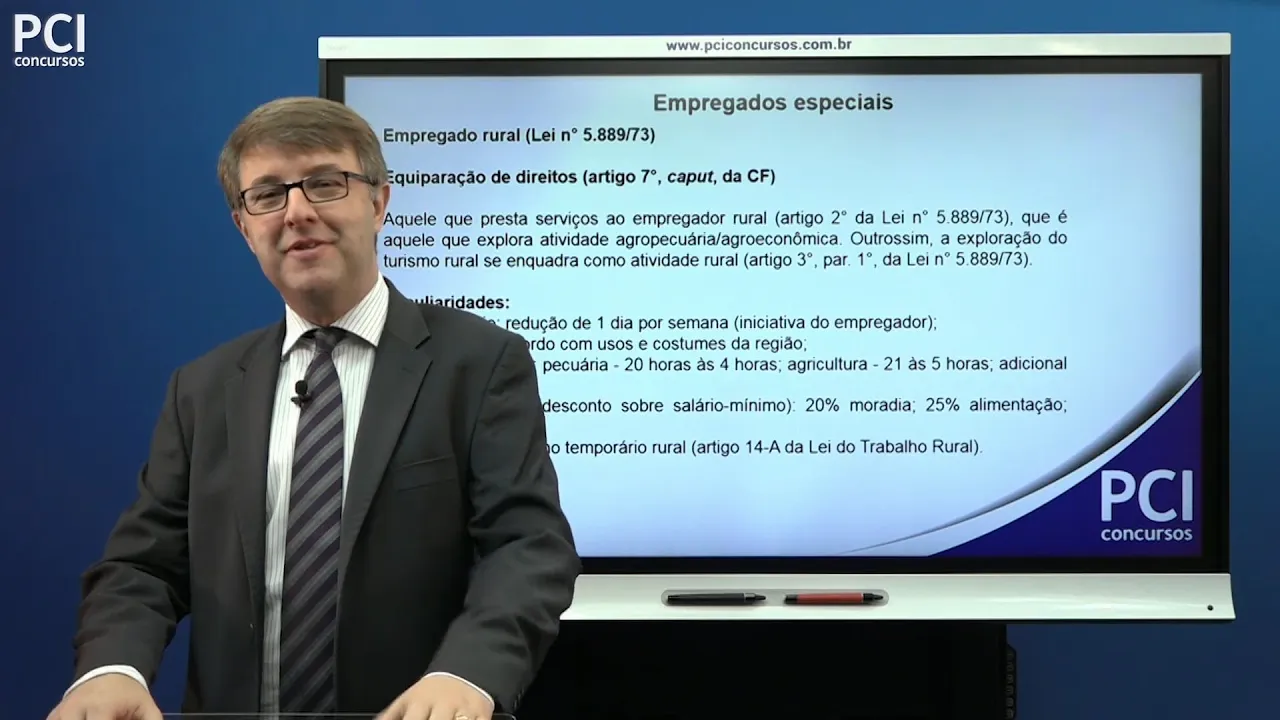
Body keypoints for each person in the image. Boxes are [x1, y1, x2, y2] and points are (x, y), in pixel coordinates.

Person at [48, 96, 581, 720]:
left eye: (325, 183)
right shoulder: (202, 389)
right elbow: (143, 566)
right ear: (244, 227)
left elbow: (526, 546)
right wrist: (111, 670)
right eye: (267, 194)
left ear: (379, 203)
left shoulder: (480, 363)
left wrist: (468, 675)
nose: (297, 211)